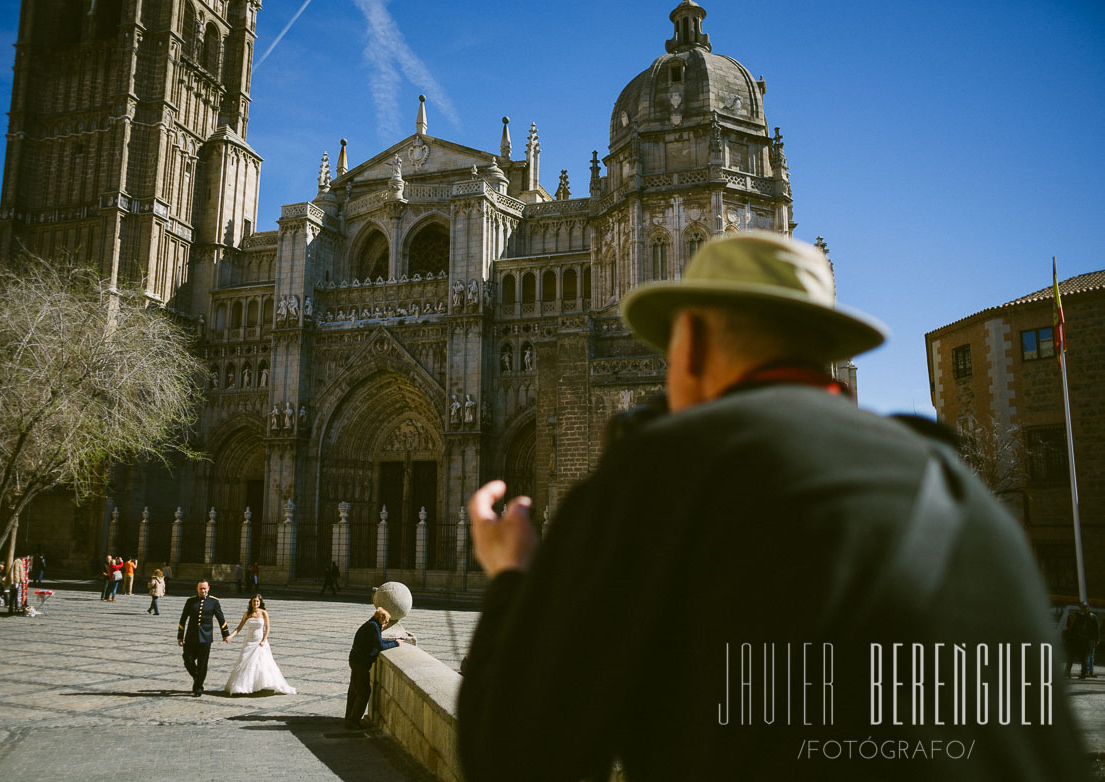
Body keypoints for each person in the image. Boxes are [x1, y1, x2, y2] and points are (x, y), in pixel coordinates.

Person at [457, 233, 1088, 782]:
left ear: (696, 344)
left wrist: (513, 575)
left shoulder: (662, 472)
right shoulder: (964, 493)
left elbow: (509, 753)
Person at [223, 594, 296, 695]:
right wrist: (230, 636)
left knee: (262, 663)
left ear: (260, 602)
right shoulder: (247, 614)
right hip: (249, 641)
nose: (255, 603)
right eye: (254, 601)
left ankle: (259, 683)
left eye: (257, 601)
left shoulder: (264, 613)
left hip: (259, 641)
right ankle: (243, 686)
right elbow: (239, 627)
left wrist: (264, 640)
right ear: (251, 602)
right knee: (245, 661)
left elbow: (267, 628)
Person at [345, 607, 399, 729]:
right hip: (361, 663)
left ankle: (349, 718)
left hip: (356, 660)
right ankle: (354, 721)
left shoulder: (371, 625)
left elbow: (377, 642)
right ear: (381, 619)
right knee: (364, 692)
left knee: (354, 690)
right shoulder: (373, 627)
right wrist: (396, 643)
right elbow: (380, 645)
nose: (385, 625)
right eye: (385, 622)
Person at [177, 579, 230, 697]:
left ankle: (198, 687)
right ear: (197, 589)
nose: (203, 590)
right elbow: (183, 618)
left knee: (202, 663)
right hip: (191, 637)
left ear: (208, 588)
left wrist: (225, 634)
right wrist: (180, 635)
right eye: (201, 588)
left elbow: (220, 618)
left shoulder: (213, 602)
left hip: (205, 638)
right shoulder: (190, 601)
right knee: (187, 659)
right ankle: (198, 677)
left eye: (205, 588)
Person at [1076, 604, 1099, 679]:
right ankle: (1087, 671)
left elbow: (1096, 628)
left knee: (1090, 655)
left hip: (1091, 639)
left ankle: (1089, 671)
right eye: (1082, 608)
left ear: (1088, 608)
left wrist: (1097, 639)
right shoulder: (1081, 616)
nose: (1084, 609)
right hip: (1084, 639)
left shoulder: (1092, 616)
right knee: (1086, 656)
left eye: (1085, 607)